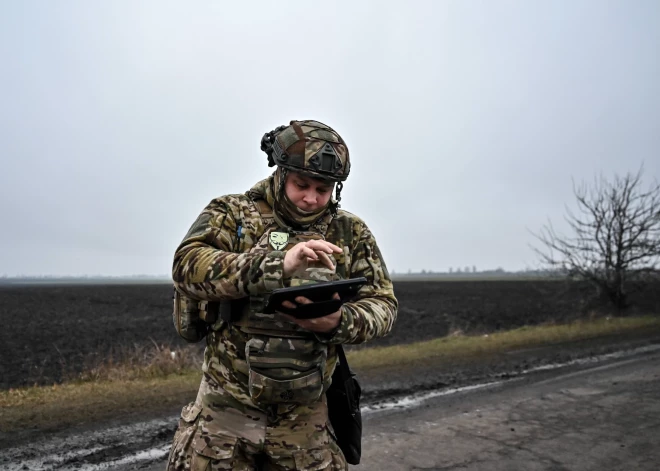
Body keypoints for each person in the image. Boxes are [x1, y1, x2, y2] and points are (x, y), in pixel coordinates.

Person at [167, 120, 398, 470]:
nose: (311, 198)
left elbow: (383, 304)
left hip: (306, 422)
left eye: (323, 189)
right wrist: (277, 265)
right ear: (279, 174)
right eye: (301, 184)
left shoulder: (350, 231)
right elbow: (187, 265)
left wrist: (339, 321)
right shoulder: (233, 213)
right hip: (225, 416)